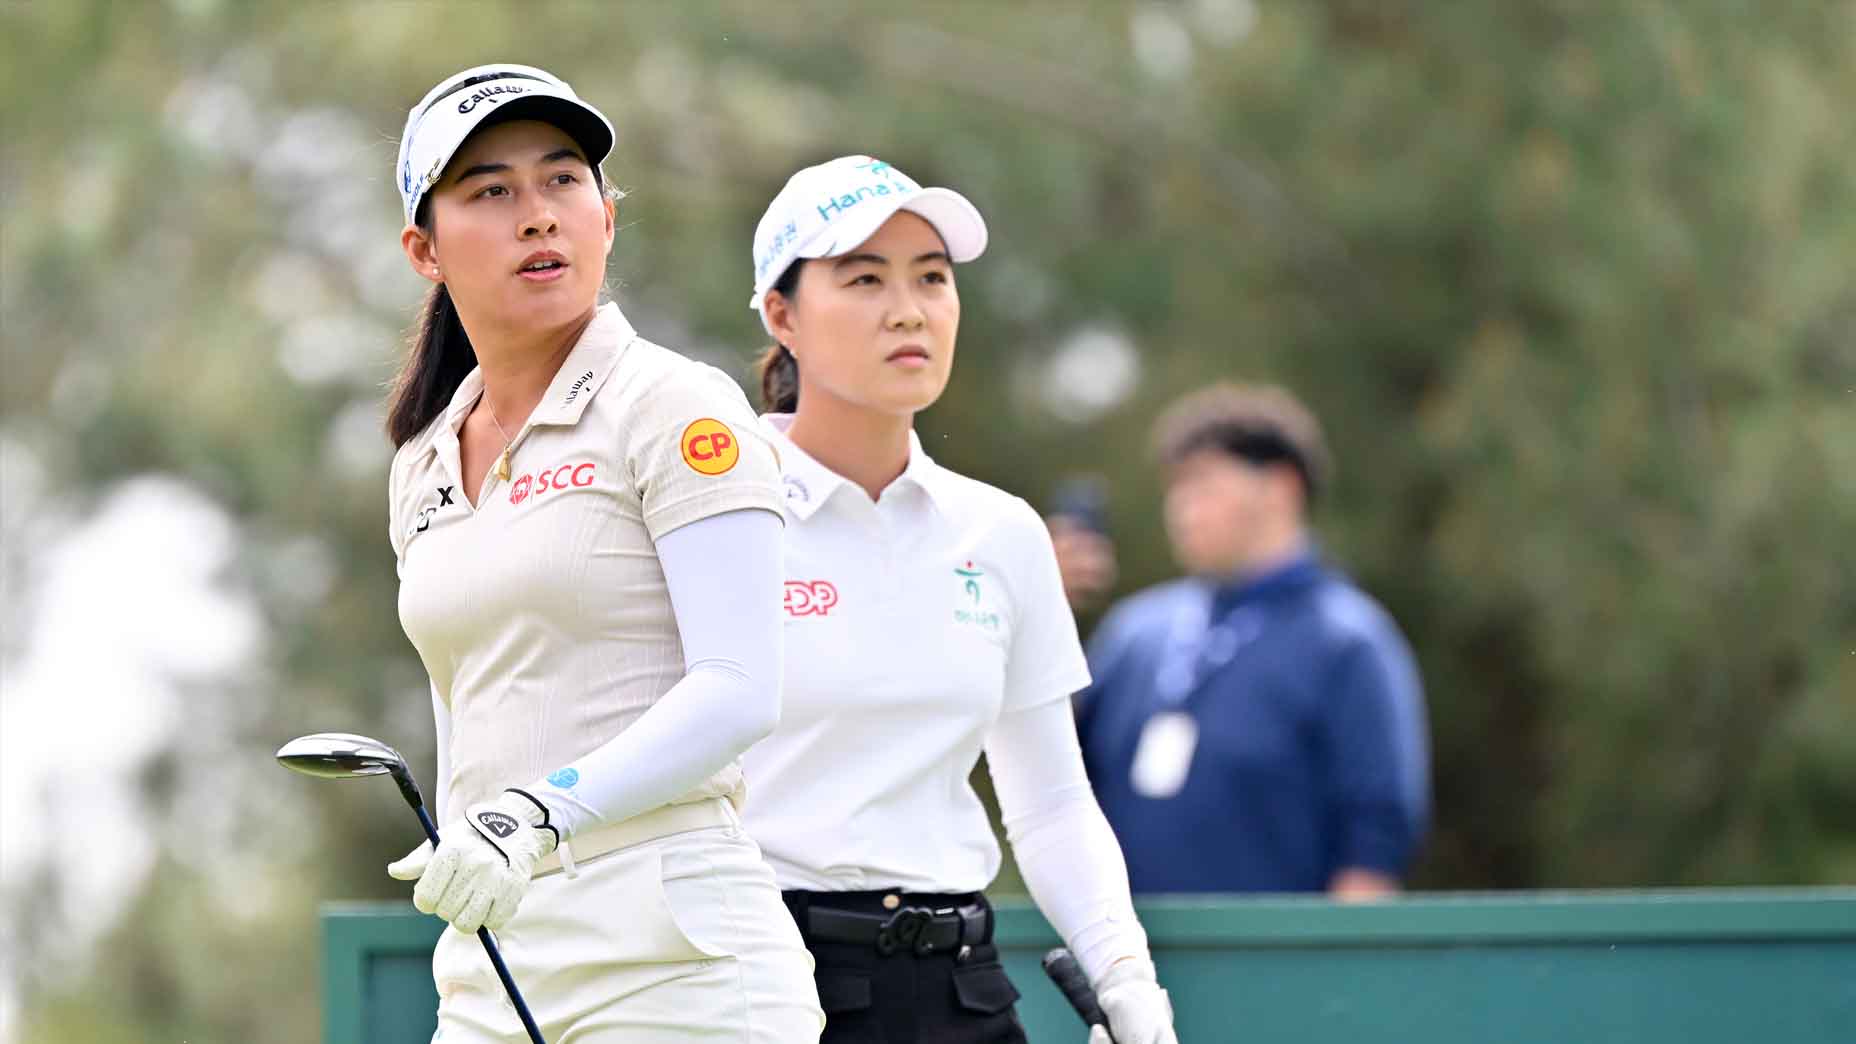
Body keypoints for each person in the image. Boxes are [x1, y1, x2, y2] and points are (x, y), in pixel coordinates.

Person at [380, 63, 823, 1041]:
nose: (536, 215)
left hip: (677, 951)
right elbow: (472, 703)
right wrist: (480, 837)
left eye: (561, 180)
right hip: (496, 957)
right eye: (490, 191)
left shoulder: (674, 405)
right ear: (424, 249)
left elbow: (738, 687)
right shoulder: (421, 461)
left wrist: (533, 813)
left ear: (606, 216)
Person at [738, 155, 1179, 1044]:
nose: (909, 309)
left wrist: (1127, 976)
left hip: (959, 992)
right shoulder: (714, 512)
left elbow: (1051, 801)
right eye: (864, 279)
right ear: (782, 316)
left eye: (932, 279)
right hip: (758, 987)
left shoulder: (1001, 531)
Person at [1065, 384, 1431, 897]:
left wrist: (1338, 972)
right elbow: (1052, 780)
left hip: (1274, 968)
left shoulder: (1348, 642)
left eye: (1203, 486)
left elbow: (1372, 848)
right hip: (1124, 963)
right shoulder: (1135, 633)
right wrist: (1033, 615)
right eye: (1176, 488)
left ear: (1279, 488)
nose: (1180, 507)